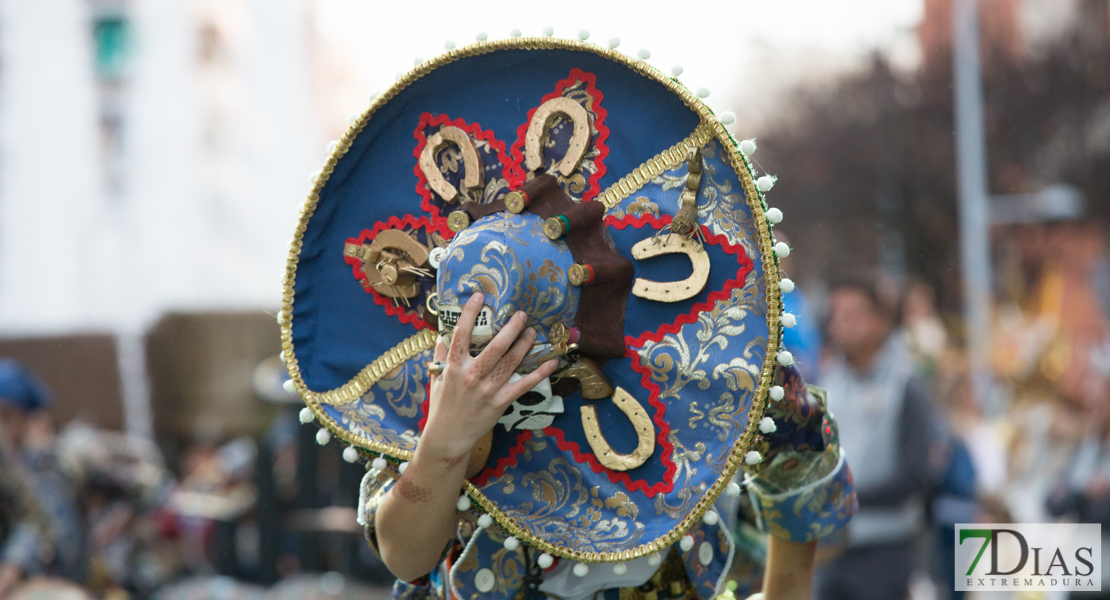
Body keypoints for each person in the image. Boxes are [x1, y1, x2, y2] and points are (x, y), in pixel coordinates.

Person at [281, 36, 855, 600]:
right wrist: (444, 443)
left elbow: (806, 455)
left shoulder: (706, 359)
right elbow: (405, 557)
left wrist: (786, 589)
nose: (475, 335)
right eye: (459, 317)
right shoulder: (432, 376)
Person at [815, 275, 933, 600]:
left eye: (852, 316)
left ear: (880, 321)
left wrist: (846, 494)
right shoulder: (825, 382)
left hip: (886, 548)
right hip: (830, 550)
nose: (841, 325)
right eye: (836, 316)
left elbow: (916, 473)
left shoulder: (906, 384)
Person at [0, 360, 86, 596]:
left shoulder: (47, 467)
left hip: (41, 579)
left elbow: (49, 530)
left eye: (6, 416)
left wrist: (10, 571)